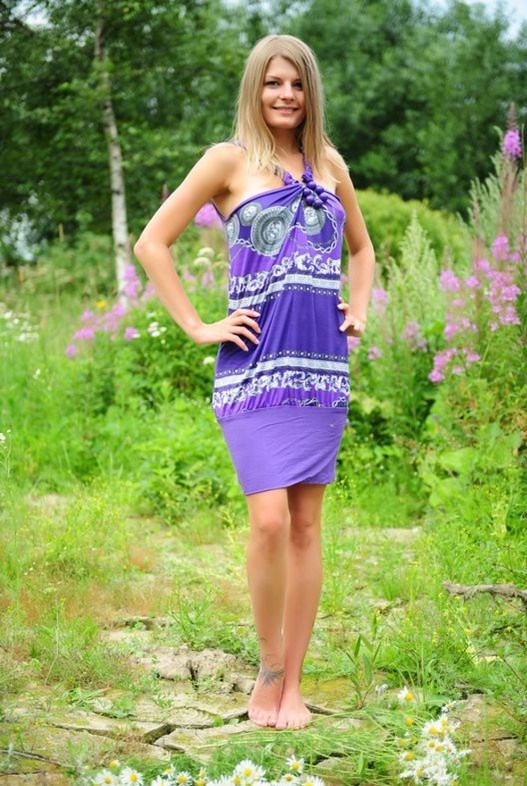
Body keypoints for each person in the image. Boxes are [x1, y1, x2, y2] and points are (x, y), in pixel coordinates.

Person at [134, 33, 375, 730]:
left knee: (306, 524)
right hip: (253, 363)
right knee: (268, 520)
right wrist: (198, 326)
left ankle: (292, 685)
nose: (285, 94)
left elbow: (361, 250)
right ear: (255, 89)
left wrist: (358, 308)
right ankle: (268, 670)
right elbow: (152, 242)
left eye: (296, 83)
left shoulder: (329, 164)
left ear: (310, 91)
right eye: (273, 82)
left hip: (320, 366)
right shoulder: (228, 161)